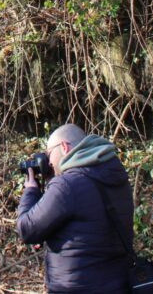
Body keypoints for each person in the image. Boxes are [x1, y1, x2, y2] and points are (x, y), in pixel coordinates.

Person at [16, 124, 134, 293]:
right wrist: (52, 182)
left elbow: (27, 229)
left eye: (49, 154)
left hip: (78, 287)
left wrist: (31, 190)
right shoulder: (114, 173)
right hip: (118, 284)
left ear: (64, 147)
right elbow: (87, 222)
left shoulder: (68, 185)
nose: (48, 162)